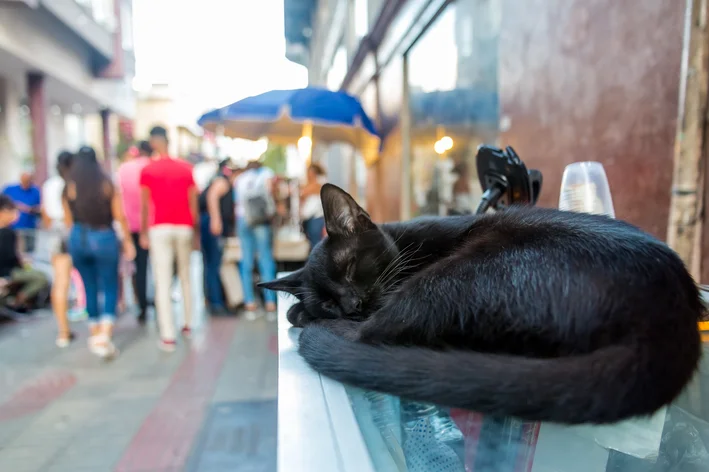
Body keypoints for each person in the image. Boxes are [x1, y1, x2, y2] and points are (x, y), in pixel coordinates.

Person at [63, 146, 135, 358]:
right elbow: (119, 215)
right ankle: (105, 332)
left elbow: (68, 221)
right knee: (110, 283)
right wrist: (128, 241)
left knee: (89, 285)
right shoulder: (106, 183)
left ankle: (94, 330)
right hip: (104, 237)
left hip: (78, 236)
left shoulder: (70, 185)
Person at [140, 126, 199, 352]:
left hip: (160, 228)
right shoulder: (185, 169)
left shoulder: (148, 170)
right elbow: (193, 203)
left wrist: (144, 233)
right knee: (185, 276)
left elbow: (146, 205)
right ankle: (187, 323)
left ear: (154, 142)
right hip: (184, 227)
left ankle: (168, 335)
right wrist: (195, 234)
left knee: (162, 281)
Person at [235, 159, 277, 317]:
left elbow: (236, 202)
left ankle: (249, 302)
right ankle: (270, 302)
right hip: (260, 219)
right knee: (265, 259)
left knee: (246, 261)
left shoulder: (240, 178)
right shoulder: (266, 173)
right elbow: (271, 191)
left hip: (242, 218)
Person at [41, 151, 75, 347]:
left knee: (60, 282)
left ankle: (63, 331)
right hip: (71, 231)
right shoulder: (71, 184)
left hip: (54, 232)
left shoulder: (49, 185)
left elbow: (45, 215)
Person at [116, 141, 153, 323]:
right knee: (159, 267)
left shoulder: (123, 169)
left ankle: (143, 305)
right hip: (154, 225)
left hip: (132, 227)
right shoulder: (151, 167)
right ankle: (157, 302)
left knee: (139, 269)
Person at [198, 158, 240, 315]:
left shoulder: (220, 181)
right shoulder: (222, 182)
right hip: (211, 223)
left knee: (211, 264)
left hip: (208, 222)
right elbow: (212, 196)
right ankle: (216, 303)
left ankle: (213, 300)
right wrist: (216, 220)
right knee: (214, 264)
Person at [0, 195, 49, 311]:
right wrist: (23, 262)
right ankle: (17, 301)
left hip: (7, 271)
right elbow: (11, 257)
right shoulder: (8, 233)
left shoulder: (9, 232)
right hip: (8, 272)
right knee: (41, 278)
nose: (16, 214)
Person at [2, 168, 41, 252]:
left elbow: (40, 208)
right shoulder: (9, 189)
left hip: (29, 227)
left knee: (29, 252)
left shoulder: (35, 191)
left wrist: (30, 209)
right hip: (12, 228)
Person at [300, 163, 327, 249]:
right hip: (310, 218)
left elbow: (304, 192)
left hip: (316, 218)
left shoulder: (319, 183)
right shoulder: (312, 184)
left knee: (316, 243)